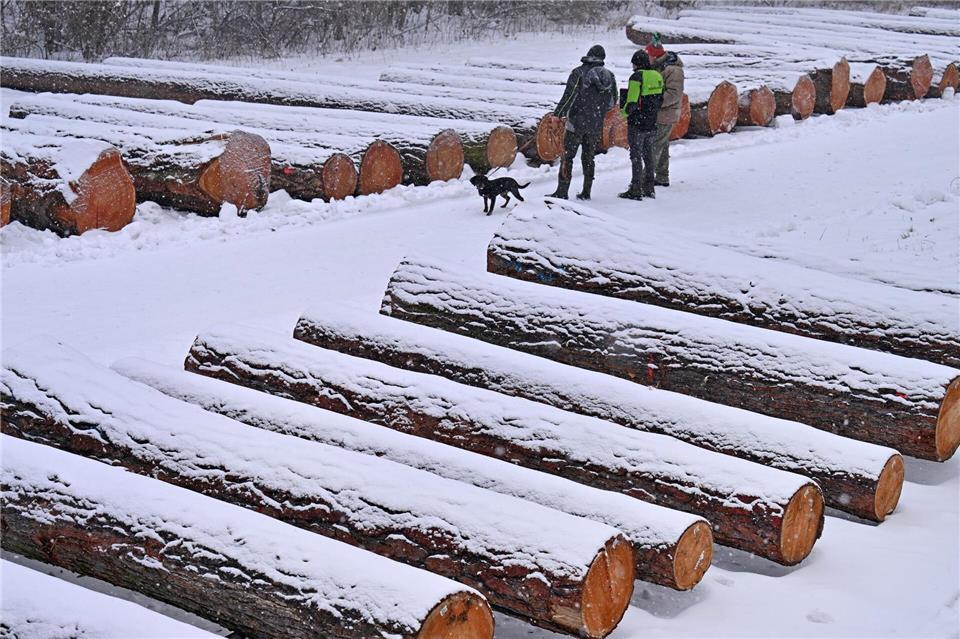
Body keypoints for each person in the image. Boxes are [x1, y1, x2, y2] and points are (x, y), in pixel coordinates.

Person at [549, 44, 618, 200]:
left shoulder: (578, 73)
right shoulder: (610, 76)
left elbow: (569, 96)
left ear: (588, 55)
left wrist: (557, 114)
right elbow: (613, 102)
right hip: (595, 124)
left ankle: (562, 191)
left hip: (576, 123)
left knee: (568, 157)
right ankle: (586, 192)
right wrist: (597, 113)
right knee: (588, 158)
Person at [619, 49, 664, 200]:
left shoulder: (636, 77)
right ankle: (649, 188)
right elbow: (660, 99)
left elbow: (631, 102)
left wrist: (623, 113)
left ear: (636, 63)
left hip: (637, 123)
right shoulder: (657, 75)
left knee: (636, 156)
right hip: (652, 122)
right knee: (648, 155)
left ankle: (635, 189)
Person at [646, 33, 685, 187]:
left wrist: (655, 102)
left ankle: (645, 179)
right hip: (660, 113)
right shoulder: (658, 67)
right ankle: (662, 177)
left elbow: (674, 94)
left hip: (666, 113)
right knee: (661, 146)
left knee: (655, 146)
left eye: (647, 54)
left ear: (654, 56)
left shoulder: (673, 70)